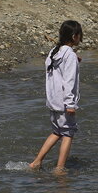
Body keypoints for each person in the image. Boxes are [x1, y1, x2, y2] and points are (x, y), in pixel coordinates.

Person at [29, 20, 82, 174]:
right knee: (68, 134)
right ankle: (59, 168)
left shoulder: (54, 51)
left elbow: (55, 70)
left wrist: (74, 59)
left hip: (53, 100)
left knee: (57, 132)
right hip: (64, 102)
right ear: (74, 36)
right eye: (79, 35)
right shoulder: (69, 55)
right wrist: (70, 104)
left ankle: (36, 162)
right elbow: (69, 80)